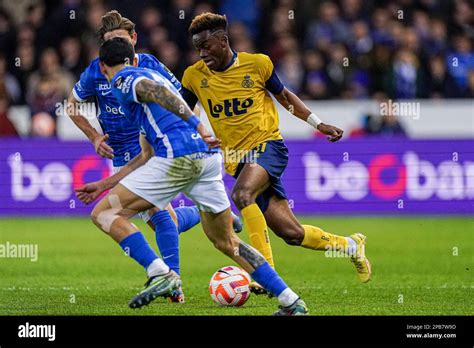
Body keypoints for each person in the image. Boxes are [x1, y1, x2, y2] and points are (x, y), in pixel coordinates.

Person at [76, 37, 308, 315]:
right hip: (206, 159)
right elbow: (145, 154)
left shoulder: (124, 79)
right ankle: (290, 300)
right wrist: (105, 183)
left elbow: (152, 91)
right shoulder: (150, 75)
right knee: (227, 242)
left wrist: (198, 123)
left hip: (179, 157)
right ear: (136, 58)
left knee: (105, 214)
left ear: (103, 67)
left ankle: (160, 272)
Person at [180, 13, 371, 292]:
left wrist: (318, 123)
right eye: (198, 47)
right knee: (291, 234)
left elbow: (285, 97)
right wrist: (193, 131)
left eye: (206, 46)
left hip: (268, 146)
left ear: (223, 40)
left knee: (243, 195)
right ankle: (351, 245)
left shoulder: (257, 64)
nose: (202, 53)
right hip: (237, 161)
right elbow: (183, 110)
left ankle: (264, 273)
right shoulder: (193, 75)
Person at [67, 10, 242, 303]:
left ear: (133, 40)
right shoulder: (96, 71)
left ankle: (172, 281)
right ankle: (213, 215)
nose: (117, 51)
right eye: (110, 43)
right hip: (120, 155)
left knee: (157, 216)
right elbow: (72, 105)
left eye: (121, 41)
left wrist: (191, 130)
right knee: (158, 218)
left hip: (150, 149)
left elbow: (181, 100)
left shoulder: (148, 65)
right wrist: (94, 136)